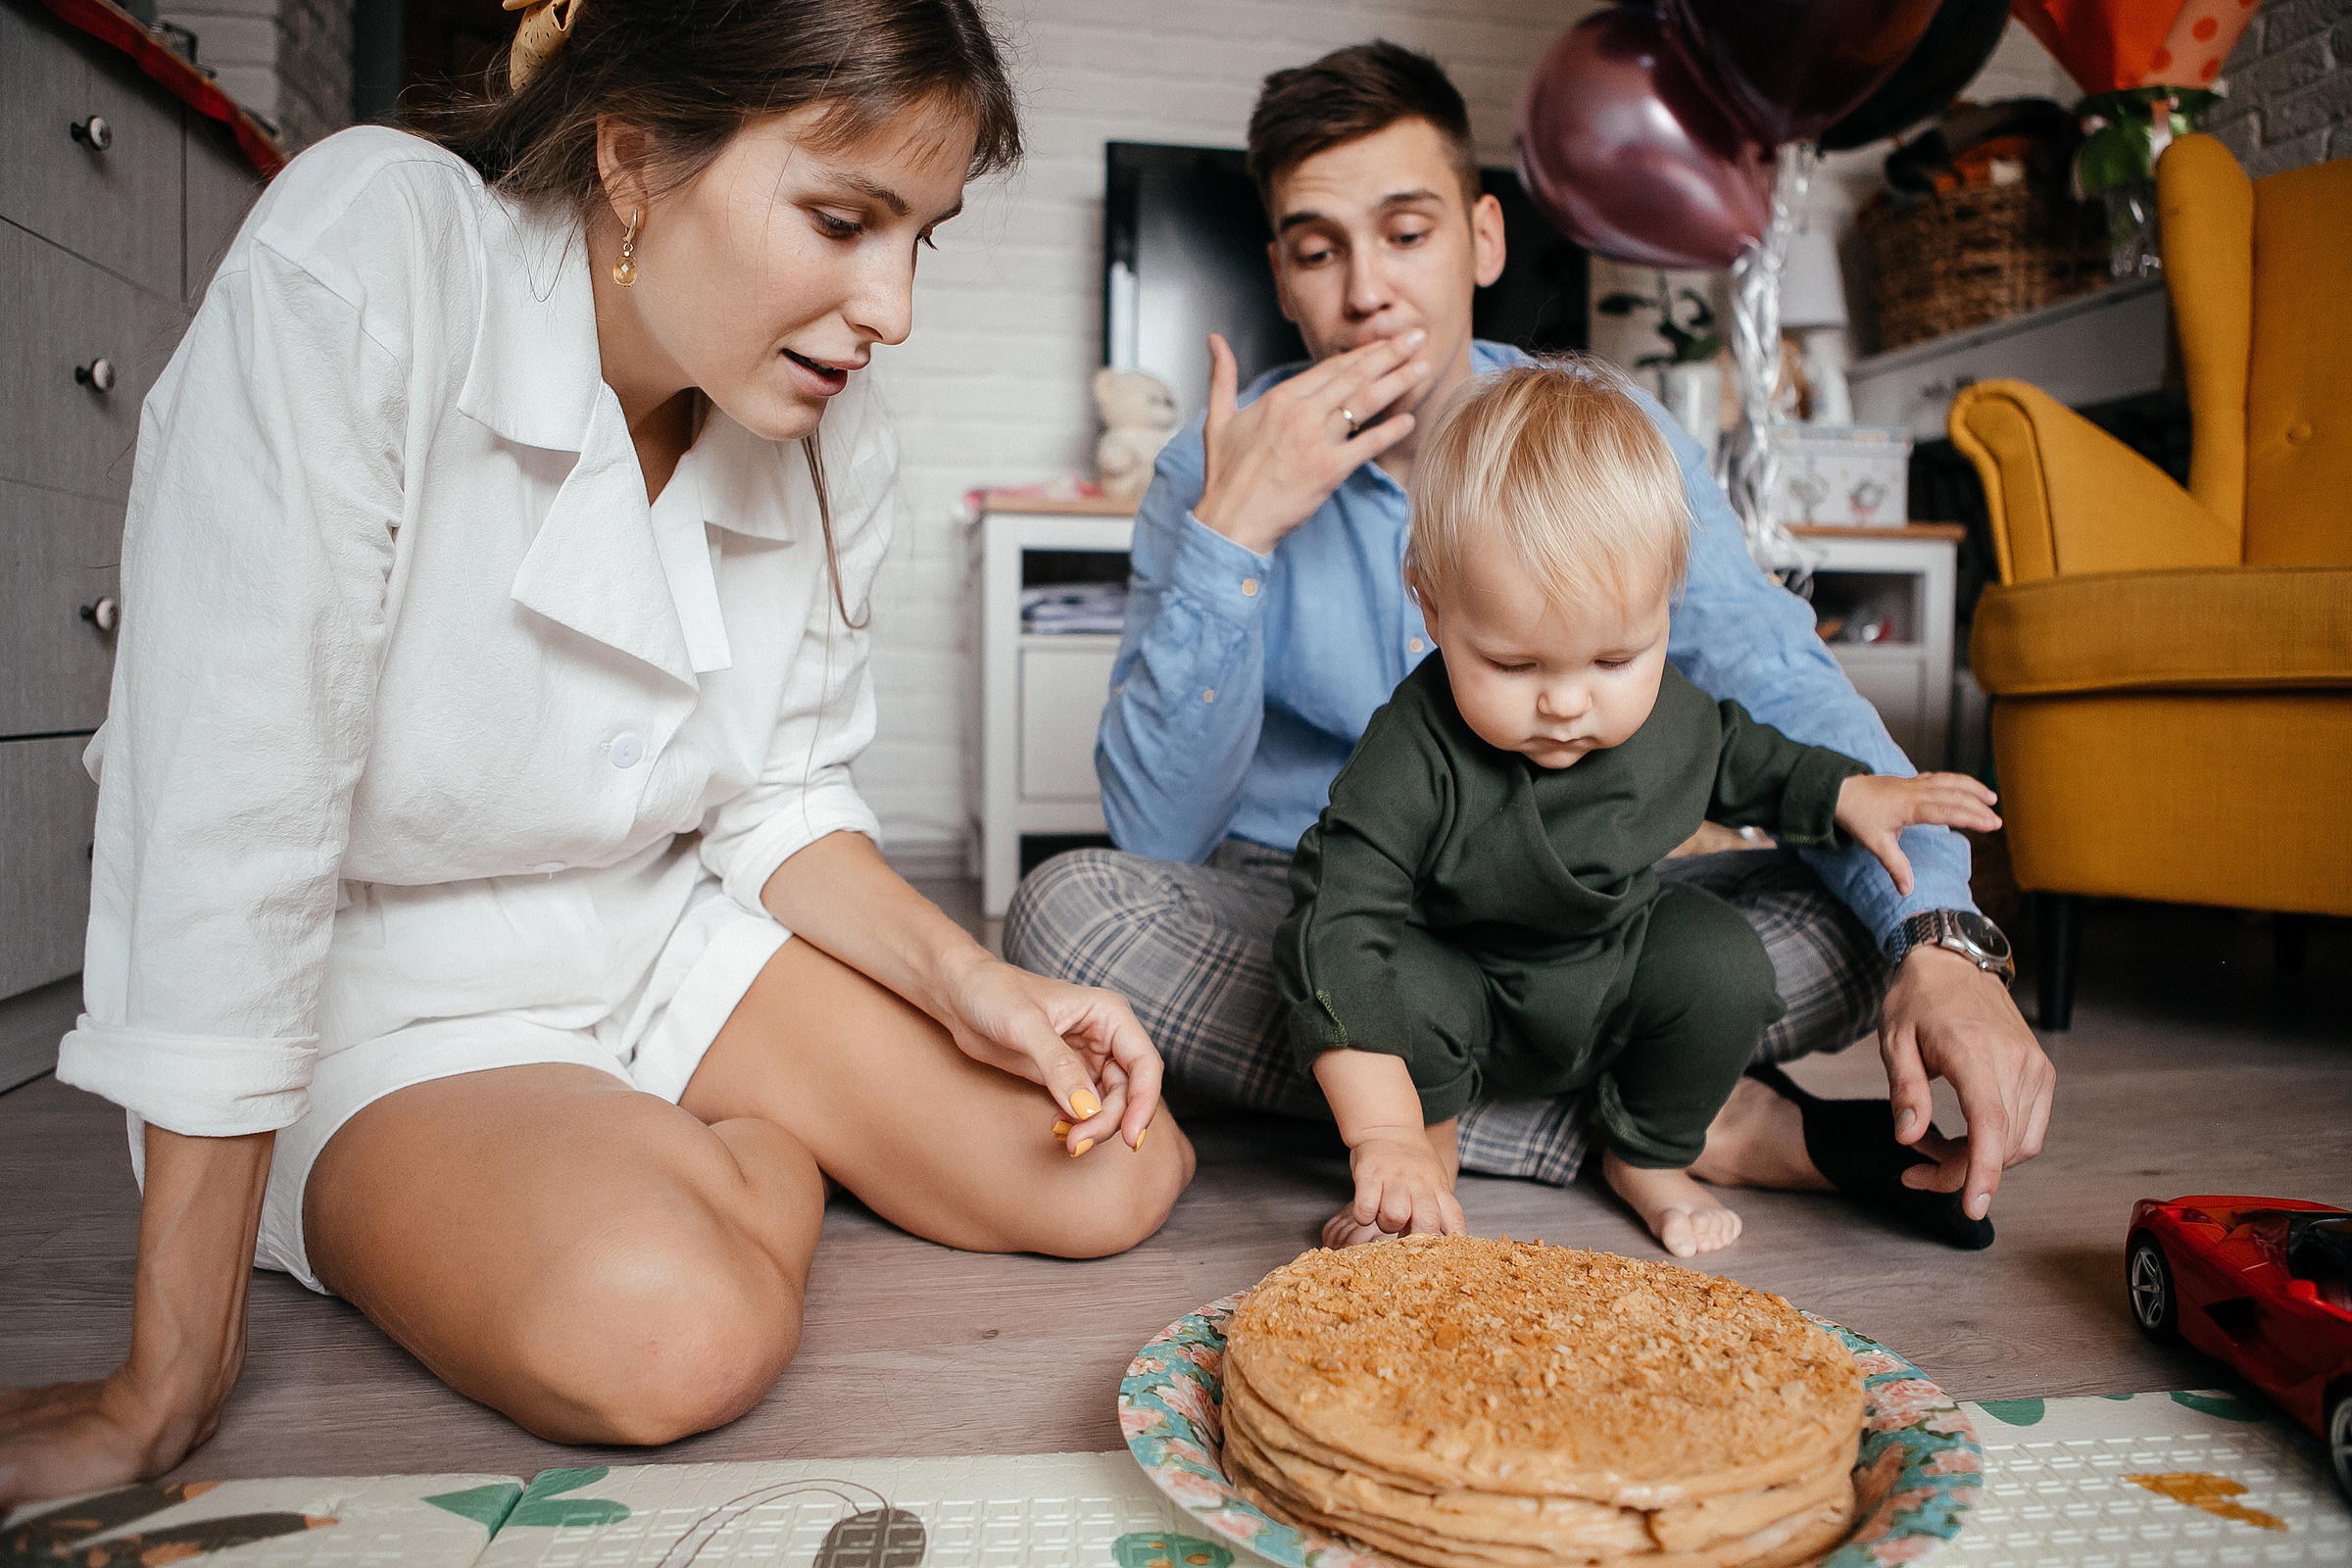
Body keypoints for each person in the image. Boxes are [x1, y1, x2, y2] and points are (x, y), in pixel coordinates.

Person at [0, 0, 1191, 1506]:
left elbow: (778, 794)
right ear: (634, 156)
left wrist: (982, 984)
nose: (891, 306)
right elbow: (229, 808)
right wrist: (170, 1372)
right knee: (669, 1335)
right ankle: (717, 1167)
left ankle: (687, 1151)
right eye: (841, 219)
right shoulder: (380, 253)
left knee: (1115, 1165)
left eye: (920, 239)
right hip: (380, 997)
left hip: (658, 937)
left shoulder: (832, 422)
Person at [1005, 40, 2053, 1242]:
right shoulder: (1209, 467)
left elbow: (1774, 674)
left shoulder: (1613, 436)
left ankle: (1423, 1117)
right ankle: (1674, 1124)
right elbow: (1157, 833)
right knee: (1068, 921)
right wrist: (1234, 533)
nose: (1365, 292)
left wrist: (1940, 943)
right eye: (1318, 249)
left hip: (1584, 912)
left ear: (1484, 241)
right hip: (1333, 909)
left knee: (1859, 899)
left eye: (1407, 233)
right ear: (1283, 280)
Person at [1277, 362, 2003, 1260]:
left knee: (1719, 959)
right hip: (1460, 979)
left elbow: (1748, 755)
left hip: (1608, 971)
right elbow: (1338, 919)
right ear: (1431, 606)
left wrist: (1854, 793)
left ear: (1668, 606)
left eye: (1615, 660)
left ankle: (1651, 1151)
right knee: (1378, 982)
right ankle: (1423, 1156)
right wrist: (1379, 1131)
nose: (1568, 704)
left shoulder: (1668, 715)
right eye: (1515, 667)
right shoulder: (1412, 749)